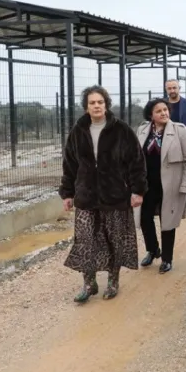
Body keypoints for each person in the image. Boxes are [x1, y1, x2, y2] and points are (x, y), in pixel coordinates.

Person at [59, 85, 146, 303]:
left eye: (100, 102)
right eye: (92, 103)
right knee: (86, 239)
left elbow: (137, 162)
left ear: (106, 104)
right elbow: (69, 164)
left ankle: (113, 281)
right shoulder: (78, 131)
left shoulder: (121, 130)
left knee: (113, 239)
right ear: (86, 107)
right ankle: (89, 283)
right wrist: (67, 193)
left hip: (115, 195)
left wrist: (137, 190)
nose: (96, 106)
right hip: (86, 196)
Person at [135, 98, 186, 274]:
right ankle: (153, 250)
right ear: (151, 115)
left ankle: (167, 259)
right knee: (144, 218)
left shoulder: (179, 130)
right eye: (158, 111)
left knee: (167, 221)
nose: (164, 113)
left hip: (170, 185)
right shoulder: (142, 130)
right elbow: (136, 157)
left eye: (165, 110)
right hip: (147, 184)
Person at [165, 78, 186, 217]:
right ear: (166, 90)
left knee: (185, 174)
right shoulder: (163, 104)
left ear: (179, 88)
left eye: (174, 88)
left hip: (184, 144)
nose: (172, 91)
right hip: (167, 145)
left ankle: (184, 202)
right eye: (169, 88)